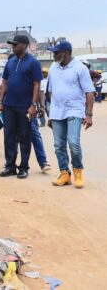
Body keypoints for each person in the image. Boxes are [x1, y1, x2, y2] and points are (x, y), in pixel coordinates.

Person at [47, 40, 95, 189]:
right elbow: (50, 91)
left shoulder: (80, 68)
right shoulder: (53, 68)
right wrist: (50, 113)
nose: (53, 55)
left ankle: (78, 171)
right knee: (58, 145)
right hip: (56, 111)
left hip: (74, 110)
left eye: (56, 52)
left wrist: (89, 115)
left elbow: (89, 92)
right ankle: (64, 173)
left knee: (73, 142)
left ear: (66, 53)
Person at [0, 35, 42, 179]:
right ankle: (10, 166)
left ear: (25, 45)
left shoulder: (33, 62)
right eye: (12, 44)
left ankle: (23, 167)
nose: (13, 46)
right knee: (8, 136)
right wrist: (0, 102)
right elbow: (4, 82)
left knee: (24, 137)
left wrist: (33, 105)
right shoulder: (10, 62)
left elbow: (37, 84)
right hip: (9, 105)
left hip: (25, 106)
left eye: (16, 44)